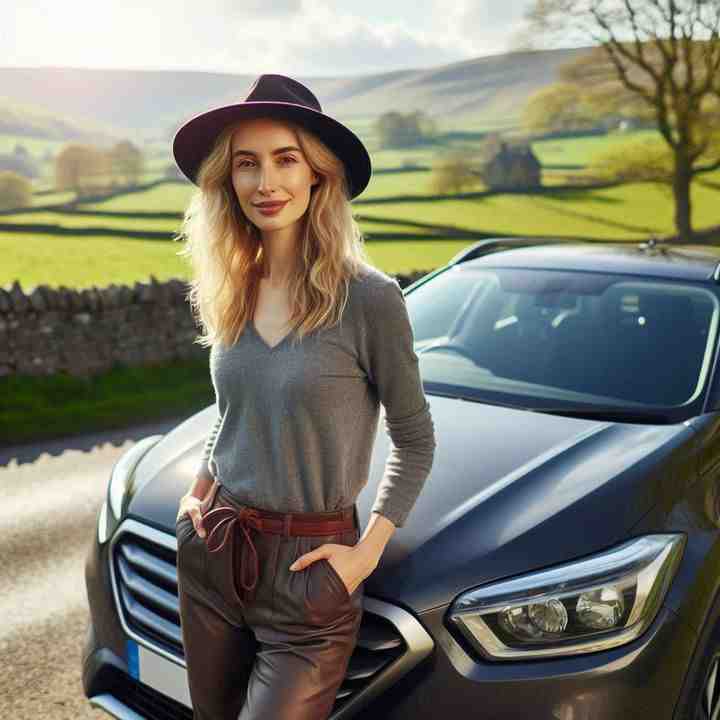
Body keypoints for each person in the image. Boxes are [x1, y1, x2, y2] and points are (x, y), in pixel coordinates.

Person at [171, 73, 436, 720]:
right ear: (225, 181)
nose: (266, 183)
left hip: (310, 576)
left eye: (286, 159)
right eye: (247, 164)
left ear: (318, 174)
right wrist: (199, 494)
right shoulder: (233, 286)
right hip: (215, 552)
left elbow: (415, 438)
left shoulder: (368, 299)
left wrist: (362, 555)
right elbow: (233, 415)